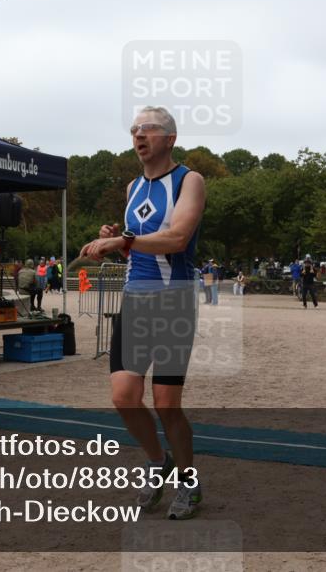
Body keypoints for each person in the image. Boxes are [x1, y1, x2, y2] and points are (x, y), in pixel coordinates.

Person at [79, 105, 206, 520]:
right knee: (123, 396)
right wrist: (113, 237)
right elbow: (137, 238)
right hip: (135, 300)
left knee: (166, 403)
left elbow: (177, 237)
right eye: (134, 129)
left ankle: (188, 482)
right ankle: (157, 462)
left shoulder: (190, 180)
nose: (138, 135)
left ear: (169, 138)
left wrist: (126, 242)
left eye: (148, 129)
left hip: (173, 301)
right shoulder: (133, 186)